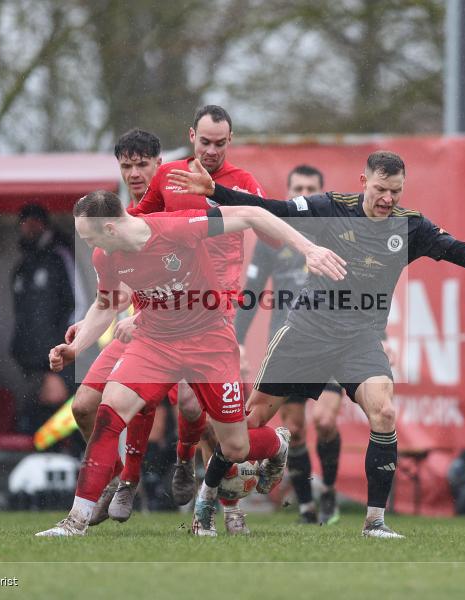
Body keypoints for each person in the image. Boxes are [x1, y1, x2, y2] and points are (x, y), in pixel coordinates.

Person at [168, 151, 465, 538]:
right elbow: (274, 208)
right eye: (381, 189)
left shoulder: (411, 227)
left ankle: (374, 522)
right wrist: (216, 190)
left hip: (360, 340)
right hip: (307, 332)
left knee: (384, 413)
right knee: (247, 427)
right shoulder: (331, 208)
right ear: (363, 183)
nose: (388, 198)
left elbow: (462, 254)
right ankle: (206, 501)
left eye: (396, 191)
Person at [34, 190, 346, 537]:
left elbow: (254, 215)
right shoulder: (105, 256)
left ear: (109, 228)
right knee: (108, 414)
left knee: (235, 447)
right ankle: (75, 522)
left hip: (209, 343)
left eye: (89, 236)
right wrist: (75, 348)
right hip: (154, 342)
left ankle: (276, 444)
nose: (88, 245)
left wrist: (310, 249)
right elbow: (106, 305)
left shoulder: (176, 229)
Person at [125, 105, 274, 534]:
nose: (211, 150)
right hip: (173, 306)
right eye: (204, 142)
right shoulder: (168, 175)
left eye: (220, 143)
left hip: (220, 309)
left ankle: (225, 502)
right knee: (186, 408)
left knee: (206, 411)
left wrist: (223, 196)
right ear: (191, 135)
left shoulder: (241, 182)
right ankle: (188, 466)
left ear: (231, 141)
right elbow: (139, 222)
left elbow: (268, 230)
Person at [67, 128, 201, 525]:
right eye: (126, 165)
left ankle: (194, 471)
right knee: (83, 407)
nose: (134, 173)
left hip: (193, 328)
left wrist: (139, 313)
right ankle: (114, 479)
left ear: (160, 163)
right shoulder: (119, 217)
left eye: (142, 164)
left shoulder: (178, 208)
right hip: (144, 333)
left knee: (202, 415)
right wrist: (87, 327)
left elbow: (203, 279)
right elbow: (116, 292)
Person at [235, 165, 344, 525]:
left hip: (330, 341)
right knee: (294, 429)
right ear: (288, 191)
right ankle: (307, 507)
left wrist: (381, 337)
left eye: (310, 188)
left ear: (320, 192)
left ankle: (328, 491)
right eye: (297, 187)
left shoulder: (338, 234)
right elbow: (250, 295)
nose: (303, 193)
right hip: (288, 345)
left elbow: (363, 291)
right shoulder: (273, 240)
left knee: (326, 421)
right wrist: (235, 341)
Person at [11, 203, 81, 434]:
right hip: (32, 358)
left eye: (35, 221)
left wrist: (66, 346)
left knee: (62, 407)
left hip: (60, 353)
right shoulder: (23, 266)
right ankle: (50, 459)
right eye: (25, 222)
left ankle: (72, 457)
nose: (29, 227)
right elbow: (22, 313)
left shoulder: (60, 256)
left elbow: (78, 301)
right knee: (39, 411)